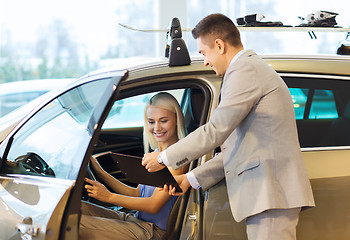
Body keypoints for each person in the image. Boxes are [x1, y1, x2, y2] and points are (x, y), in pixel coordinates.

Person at [142, 13, 315, 240]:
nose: (205, 60)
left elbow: (215, 130)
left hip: (271, 192)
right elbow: (233, 149)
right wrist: (190, 178)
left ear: (219, 45)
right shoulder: (245, 70)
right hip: (267, 195)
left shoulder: (244, 70)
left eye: (204, 53)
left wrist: (163, 158)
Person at [79, 92, 188, 240]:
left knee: (75, 222)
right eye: (151, 121)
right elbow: (137, 194)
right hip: (138, 221)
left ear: (176, 119)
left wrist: (108, 197)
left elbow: (153, 205)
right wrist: (101, 173)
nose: (157, 127)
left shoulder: (176, 159)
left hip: (153, 232)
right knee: (75, 209)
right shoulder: (156, 155)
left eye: (163, 120)